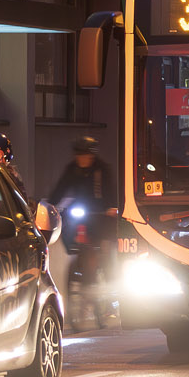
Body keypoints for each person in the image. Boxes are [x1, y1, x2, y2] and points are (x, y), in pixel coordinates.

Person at [48, 136, 118, 329]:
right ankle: (78, 271)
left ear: (92, 156)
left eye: (85, 156)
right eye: (79, 155)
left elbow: (111, 192)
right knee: (71, 234)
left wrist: (111, 207)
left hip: (101, 216)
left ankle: (107, 292)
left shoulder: (103, 170)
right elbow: (60, 189)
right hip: (82, 214)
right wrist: (51, 205)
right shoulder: (72, 169)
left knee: (105, 250)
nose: (82, 159)